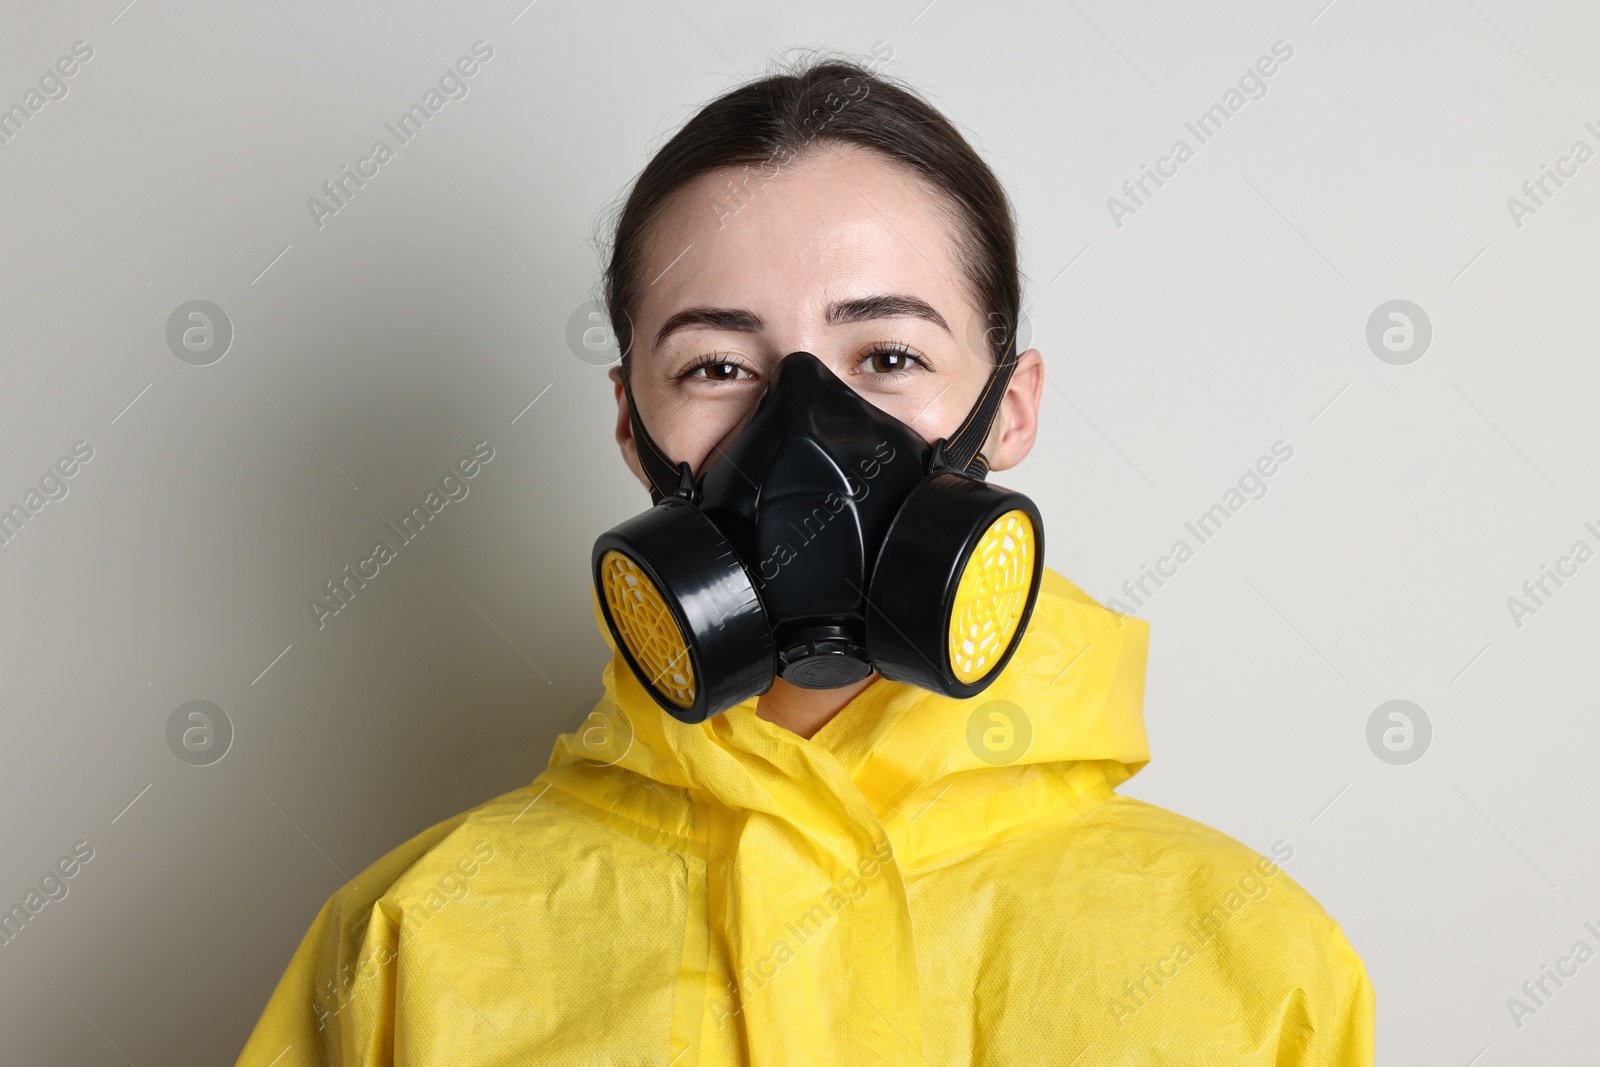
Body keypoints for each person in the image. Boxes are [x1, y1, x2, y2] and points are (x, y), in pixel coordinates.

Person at [235, 53, 1374, 1065]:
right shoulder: (409, 947)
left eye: (885, 352)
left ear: (1007, 410)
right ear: (632, 426)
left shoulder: (1254, 960)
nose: (802, 433)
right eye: (718, 367)